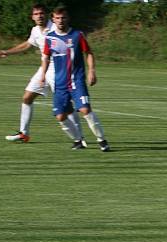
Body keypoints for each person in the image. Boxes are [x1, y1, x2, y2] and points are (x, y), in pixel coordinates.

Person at [0, 3, 84, 144]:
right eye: (36, 14)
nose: (39, 16)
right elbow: (27, 44)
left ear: (47, 15)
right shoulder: (35, 30)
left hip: (59, 70)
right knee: (27, 97)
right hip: (44, 69)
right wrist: (7, 52)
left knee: (66, 105)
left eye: (41, 13)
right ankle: (24, 133)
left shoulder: (56, 27)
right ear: (32, 17)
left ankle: (80, 137)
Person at [41, 6, 110, 151]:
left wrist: (91, 71)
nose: (60, 20)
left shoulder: (77, 35)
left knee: (85, 110)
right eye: (57, 18)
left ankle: (102, 140)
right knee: (60, 116)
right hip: (59, 84)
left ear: (68, 18)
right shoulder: (50, 38)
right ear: (53, 19)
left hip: (76, 81)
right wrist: (43, 75)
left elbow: (88, 53)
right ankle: (78, 140)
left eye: (63, 17)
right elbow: (46, 58)